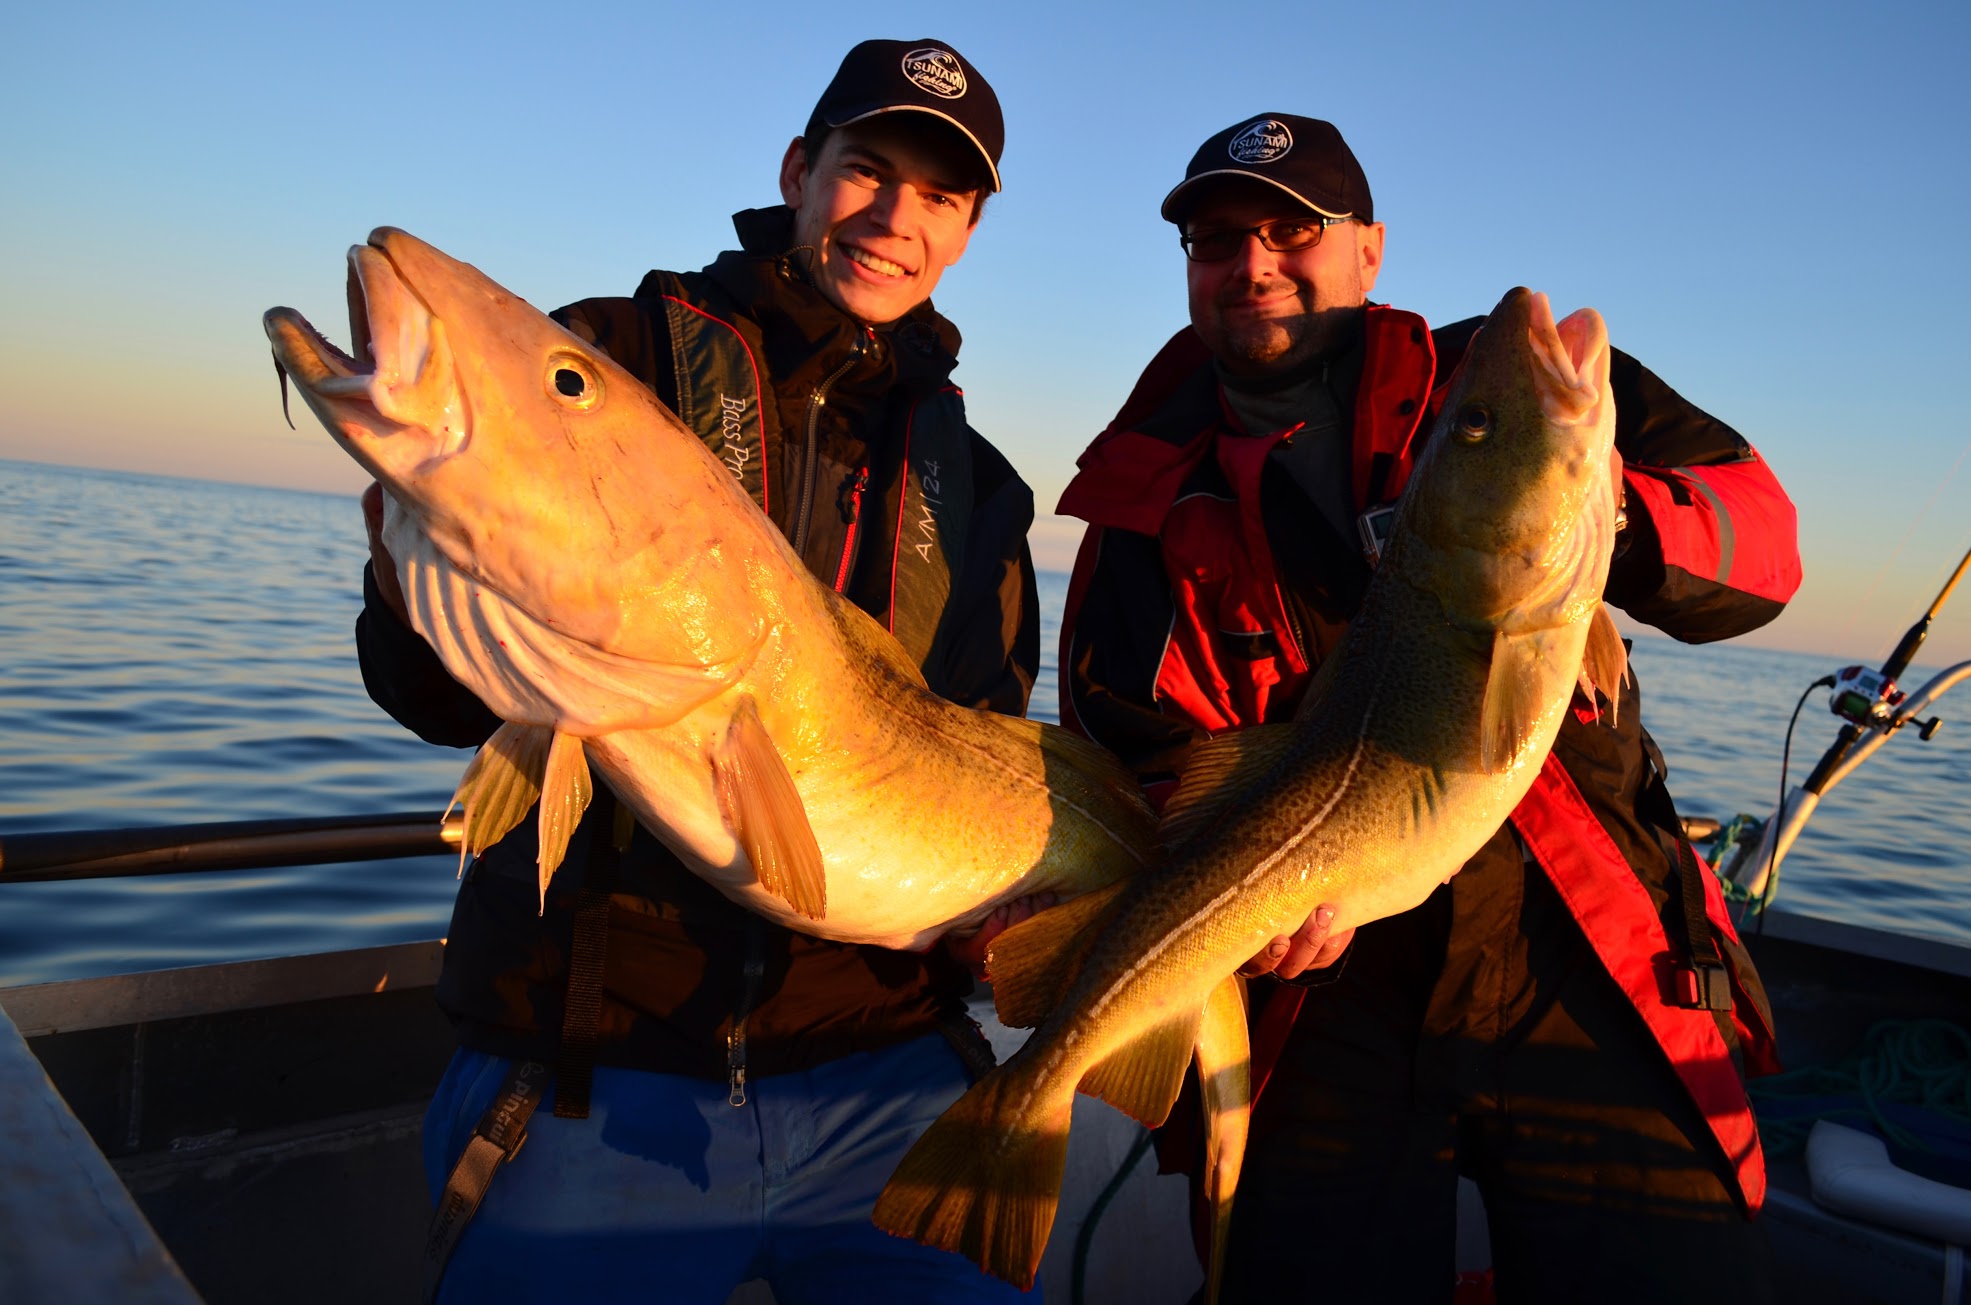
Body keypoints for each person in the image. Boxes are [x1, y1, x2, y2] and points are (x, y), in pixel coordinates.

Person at [1057, 112, 1802, 1304]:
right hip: (1324, 979)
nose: (1251, 262)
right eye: (1214, 238)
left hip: (1583, 937)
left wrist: (1603, 505)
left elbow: (1765, 554)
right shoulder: (1141, 508)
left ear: (1369, 251)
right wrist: (1254, 908)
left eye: (1292, 229)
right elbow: (1140, 759)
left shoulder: (1492, 392)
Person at [356, 39, 1040, 1304]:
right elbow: (434, 700)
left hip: (885, 1071)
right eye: (865, 169)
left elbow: (990, 738)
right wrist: (414, 554)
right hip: (589, 1073)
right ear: (799, 169)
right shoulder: (614, 356)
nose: (894, 218)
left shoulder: (984, 486)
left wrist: (1010, 926)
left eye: (939, 195)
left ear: (968, 228)